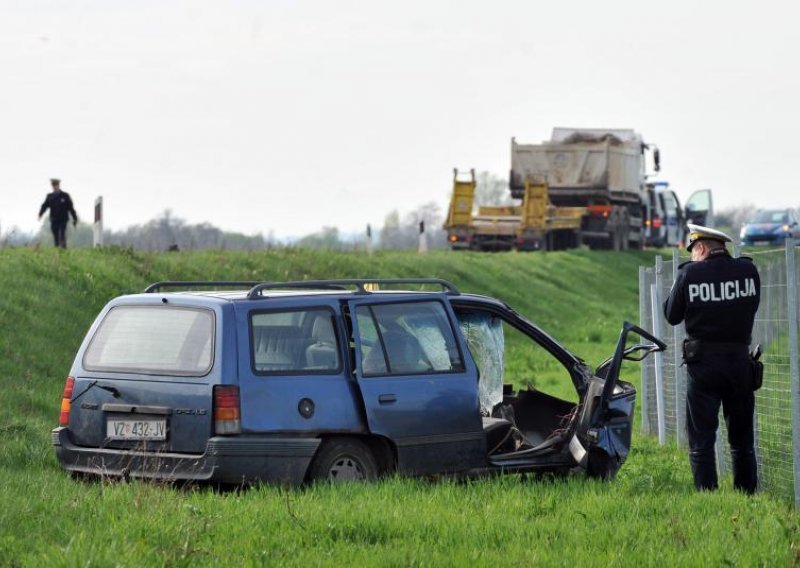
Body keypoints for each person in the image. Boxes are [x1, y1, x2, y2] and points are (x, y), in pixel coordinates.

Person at [663, 223, 761, 493]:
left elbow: (671, 315)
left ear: (702, 248)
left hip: (703, 366)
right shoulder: (748, 270)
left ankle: (707, 495)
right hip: (741, 364)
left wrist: (683, 276)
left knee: (702, 440)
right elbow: (751, 307)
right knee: (742, 441)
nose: (692, 256)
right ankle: (747, 495)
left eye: (693, 251)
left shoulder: (690, 274)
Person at [38, 178, 78, 248]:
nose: (55, 187)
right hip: (54, 219)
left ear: (59, 186)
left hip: (63, 219)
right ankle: (57, 250)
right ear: (52, 186)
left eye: (56, 185)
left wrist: (75, 218)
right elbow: (44, 206)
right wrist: (40, 214)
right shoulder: (50, 197)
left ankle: (63, 250)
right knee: (55, 236)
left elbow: (71, 208)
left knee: (62, 235)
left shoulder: (65, 196)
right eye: (53, 186)